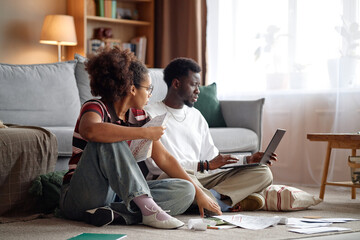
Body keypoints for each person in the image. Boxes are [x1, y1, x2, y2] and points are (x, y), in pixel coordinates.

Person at [59, 49, 221, 230]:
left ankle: (116, 214)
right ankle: (148, 209)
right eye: (148, 88)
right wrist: (144, 133)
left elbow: (165, 158)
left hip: (118, 196)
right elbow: (90, 130)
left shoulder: (140, 116)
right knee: (108, 138)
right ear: (132, 88)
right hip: (81, 195)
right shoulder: (96, 106)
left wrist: (199, 192)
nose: (150, 94)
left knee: (185, 190)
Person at [144, 57, 277, 213]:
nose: (198, 91)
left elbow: (213, 160)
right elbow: (155, 166)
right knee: (184, 184)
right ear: (176, 84)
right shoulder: (151, 114)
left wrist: (247, 160)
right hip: (173, 178)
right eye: (193, 85)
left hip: (203, 178)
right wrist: (204, 165)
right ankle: (222, 202)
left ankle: (213, 199)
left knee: (263, 173)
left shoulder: (196, 116)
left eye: (199, 86)